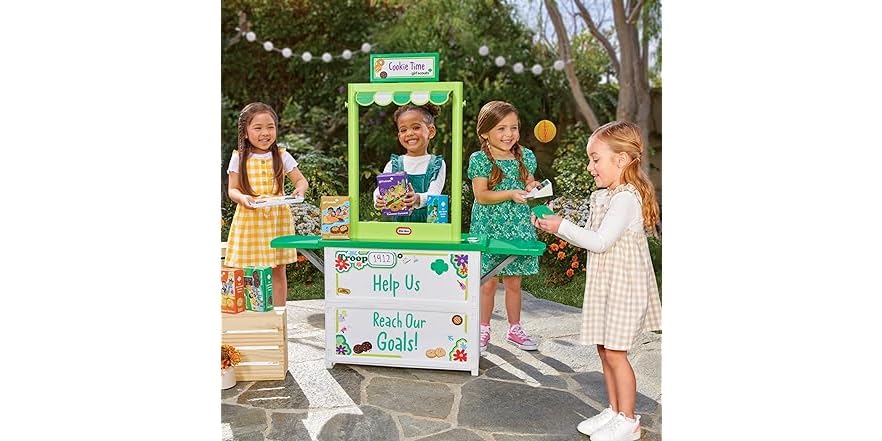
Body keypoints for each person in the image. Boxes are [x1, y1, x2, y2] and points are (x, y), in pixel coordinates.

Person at [533, 121, 661, 441]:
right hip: (606, 286)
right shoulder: (603, 196)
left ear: (620, 160)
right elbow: (589, 237)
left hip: (623, 289)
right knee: (605, 350)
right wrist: (554, 225)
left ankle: (629, 420)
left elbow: (601, 241)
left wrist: (561, 225)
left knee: (617, 354)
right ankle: (615, 410)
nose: (590, 167)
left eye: (595, 159)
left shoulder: (626, 199)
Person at [468, 100, 541, 353]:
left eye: (514, 128)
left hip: (517, 226)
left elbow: (529, 182)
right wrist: (510, 193)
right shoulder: (479, 159)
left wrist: (533, 187)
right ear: (484, 132)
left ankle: (514, 328)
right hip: (489, 227)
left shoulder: (526, 156)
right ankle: (482, 329)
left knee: (514, 281)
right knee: (488, 281)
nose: (509, 134)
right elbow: (482, 196)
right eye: (501, 128)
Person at [225, 102, 309, 307]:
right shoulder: (239, 158)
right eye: (258, 128)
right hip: (249, 219)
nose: (265, 133)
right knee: (247, 268)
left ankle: (279, 314)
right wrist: (243, 198)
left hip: (276, 220)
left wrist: (300, 190)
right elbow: (232, 190)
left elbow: (301, 180)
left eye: (270, 127)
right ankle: (250, 314)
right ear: (245, 132)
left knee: (278, 268)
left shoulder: (281, 155)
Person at [373, 104, 446, 222]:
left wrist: (417, 199)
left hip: (429, 226)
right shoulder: (394, 164)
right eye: (403, 130)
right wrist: (378, 199)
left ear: (431, 131)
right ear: (399, 135)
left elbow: (435, 194)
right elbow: (380, 189)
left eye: (416, 127)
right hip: (399, 226)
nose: (409, 133)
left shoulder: (436, 164)